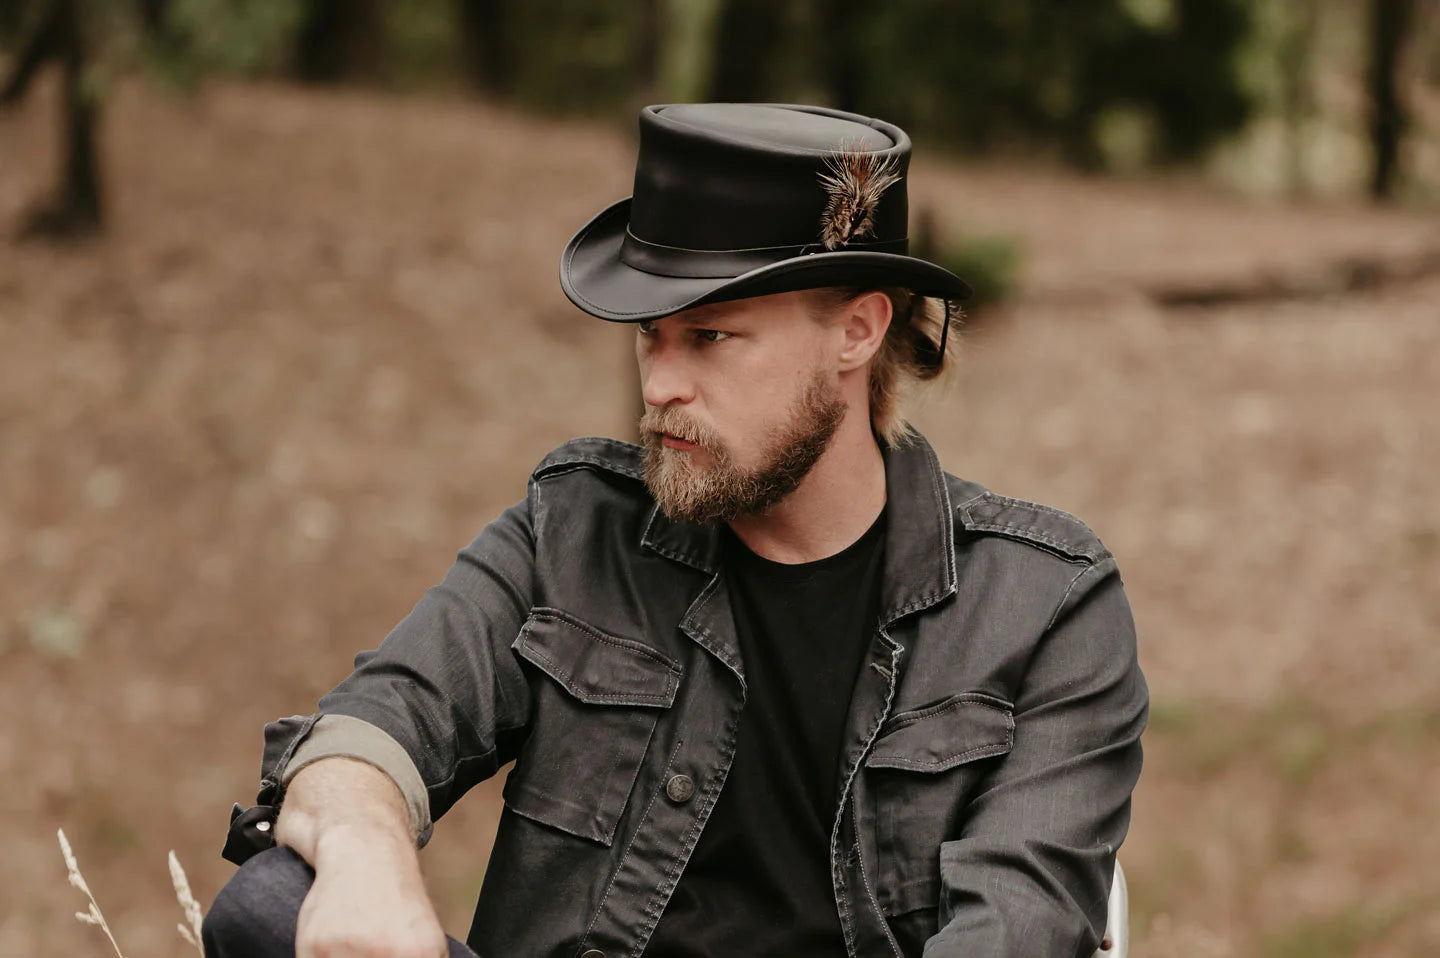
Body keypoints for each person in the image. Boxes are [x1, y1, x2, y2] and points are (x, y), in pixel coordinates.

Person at [203, 103, 1147, 958]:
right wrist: (366, 846)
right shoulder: (573, 530)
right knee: (271, 905)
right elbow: (372, 726)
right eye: (650, 334)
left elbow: (1013, 935)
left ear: (857, 331)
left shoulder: (1045, 607)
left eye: (711, 337)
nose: (659, 387)